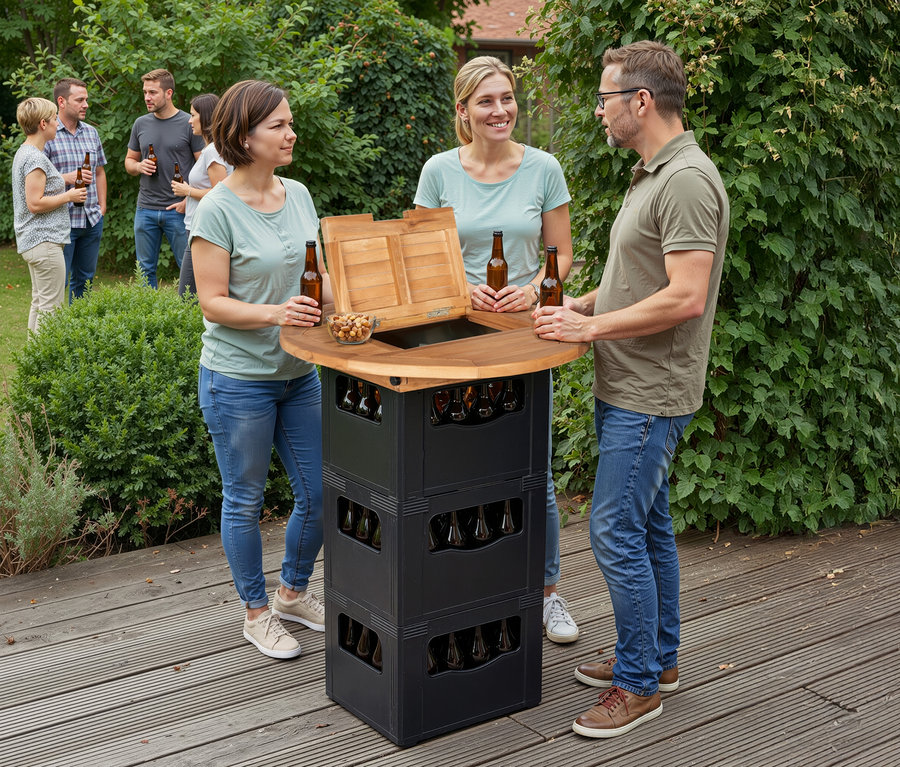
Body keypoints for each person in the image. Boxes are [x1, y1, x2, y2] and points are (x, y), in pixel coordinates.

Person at [533, 41, 730, 738]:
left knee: (613, 528)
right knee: (646, 527)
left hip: (650, 391)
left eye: (605, 98)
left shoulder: (684, 181)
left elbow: (684, 296)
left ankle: (639, 682)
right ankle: (660, 658)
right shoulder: (654, 174)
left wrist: (590, 332)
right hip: (633, 382)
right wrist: (585, 305)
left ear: (640, 102)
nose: (598, 110)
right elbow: (643, 278)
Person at [414, 56, 579, 644]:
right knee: (461, 459)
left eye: (507, 98)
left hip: (524, 335)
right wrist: (461, 288)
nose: (501, 110)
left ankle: (547, 593)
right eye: (486, 101)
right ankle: (468, 579)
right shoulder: (438, 171)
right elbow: (424, 257)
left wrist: (531, 288)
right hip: (453, 337)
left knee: (533, 467)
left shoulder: (544, 169)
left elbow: (560, 257)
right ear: (463, 111)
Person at [191, 80, 332, 659]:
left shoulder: (298, 194)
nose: (291, 133)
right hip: (237, 380)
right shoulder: (217, 207)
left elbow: (316, 272)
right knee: (244, 500)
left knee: (321, 491)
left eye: (289, 122)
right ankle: (255, 612)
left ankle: (292, 594)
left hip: (299, 373)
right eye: (278, 126)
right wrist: (277, 312)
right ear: (242, 136)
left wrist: (334, 304)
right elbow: (212, 301)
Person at [11, 97, 87, 331]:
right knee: (51, 308)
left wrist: (64, 179)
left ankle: (34, 362)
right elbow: (35, 203)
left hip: (35, 242)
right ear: (43, 124)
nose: (57, 123)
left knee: (40, 303)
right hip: (44, 241)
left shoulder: (26, 153)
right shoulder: (34, 158)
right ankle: (46, 365)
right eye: (54, 118)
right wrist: (69, 196)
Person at [125, 68, 205, 288]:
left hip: (179, 209)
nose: (147, 98)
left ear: (168, 93)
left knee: (188, 268)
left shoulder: (189, 122)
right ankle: (147, 318)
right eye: (145, 92)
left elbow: (203, 166)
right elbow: (129, 162)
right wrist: (139, 165)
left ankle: (190, 316)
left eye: (152, 92)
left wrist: (188, 199)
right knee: (144, 269)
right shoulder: (141, 123)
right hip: (145, 208)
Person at [44, 77, 108, 302]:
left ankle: (78, 328)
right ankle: (54, 332)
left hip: (91, 220)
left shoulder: (91, 132)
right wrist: (68, 178)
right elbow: (37, 181)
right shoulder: (47, 135)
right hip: (62, 221)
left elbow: (99, 171)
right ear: (61, 101)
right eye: (79, 100)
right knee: (57, 283)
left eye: (87, 99)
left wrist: (102, 207)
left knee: (85, 280)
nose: (86, 104)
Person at [169, 93, 232, 296]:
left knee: (187, 295)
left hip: (203, 229)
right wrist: (187, 201)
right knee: (198, 293)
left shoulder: (213, 151)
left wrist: (187, 191)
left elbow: (221, 192)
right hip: (197, 225)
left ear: (206, 118)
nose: (189, 120)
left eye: (193, 115)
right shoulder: (211, 149)